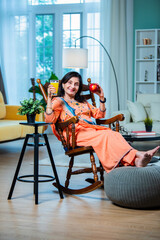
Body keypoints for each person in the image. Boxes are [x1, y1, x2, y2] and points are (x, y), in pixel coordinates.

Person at [45, 71, 159, 173]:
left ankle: (136, 161)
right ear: (63, 84)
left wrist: (101, 97)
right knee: (106, 134)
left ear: (79, 87)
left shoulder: (83, 101)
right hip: (74, 134)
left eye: (76, 84)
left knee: (113, 134)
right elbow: (49, 120)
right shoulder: (58, 101)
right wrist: (49, 98)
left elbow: (100, 114)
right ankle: (138, 154)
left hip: (91, 131)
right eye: (69, 83)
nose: (72, 86)